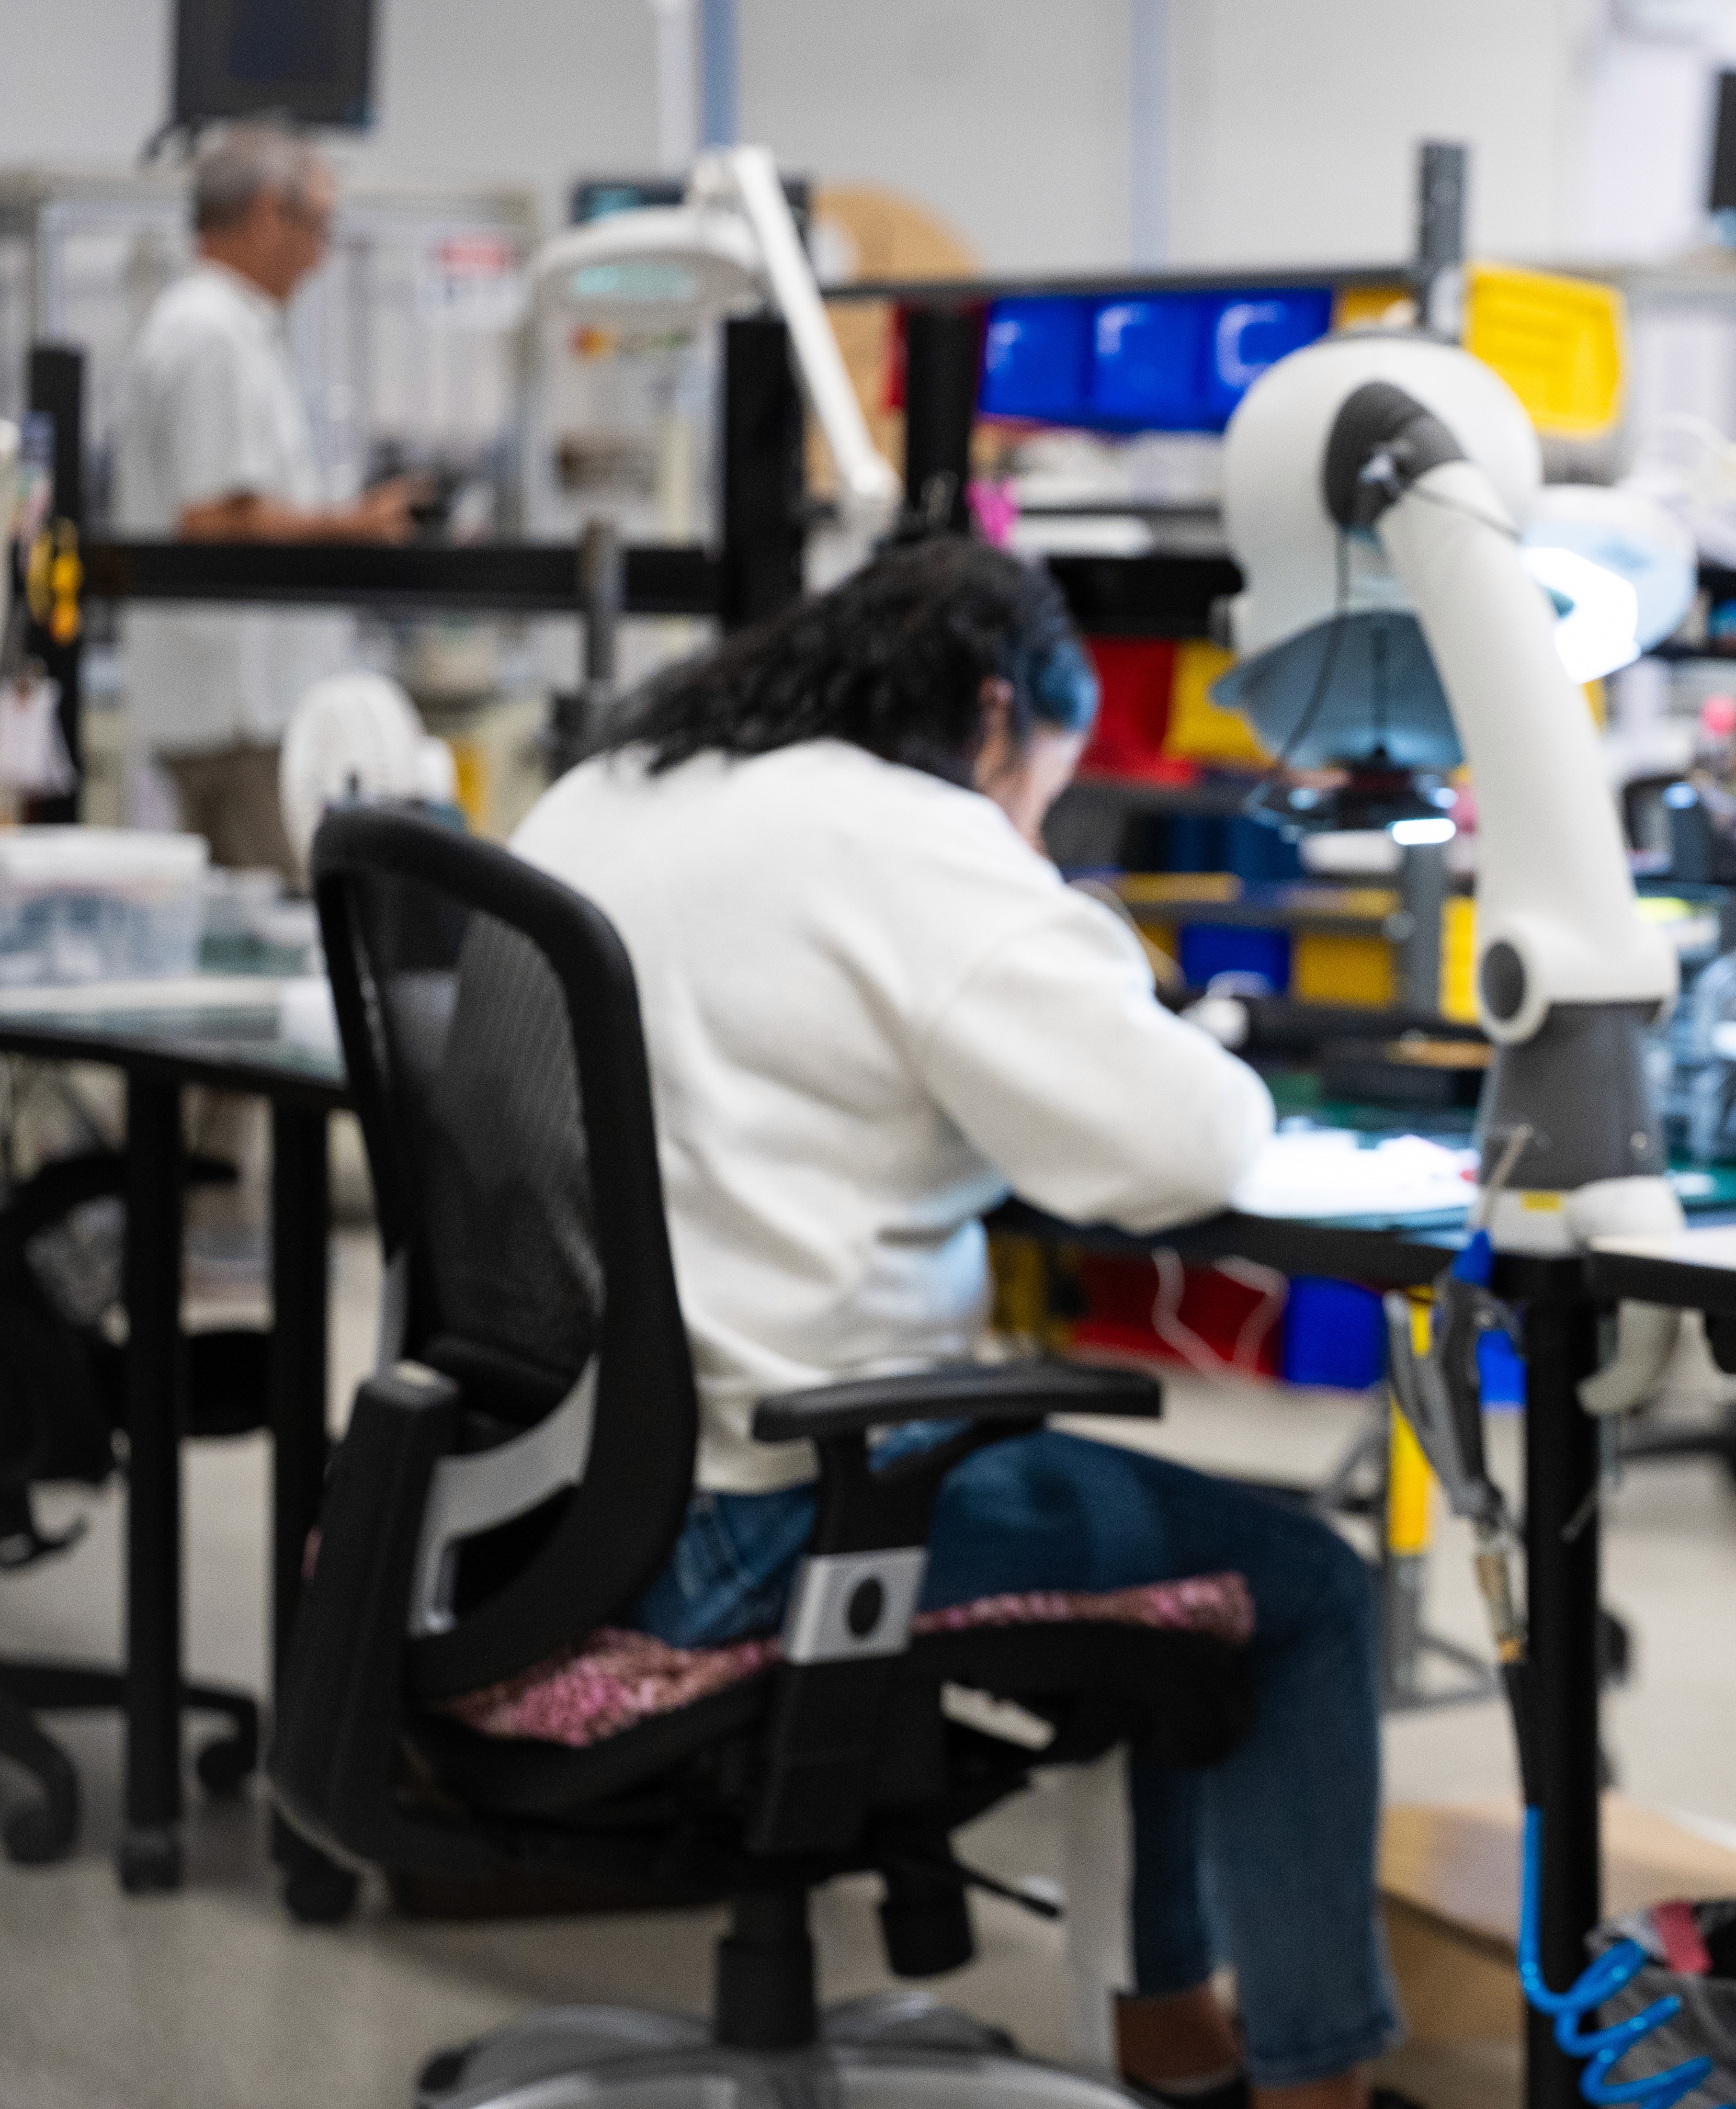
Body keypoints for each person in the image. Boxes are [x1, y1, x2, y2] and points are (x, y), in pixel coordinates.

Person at [508, 539, 1398, 2109]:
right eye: (1035, 795)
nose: (1026, 831)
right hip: (773, 1514)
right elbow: (1191, 1143)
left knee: (1166, 1562)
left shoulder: (610, 788)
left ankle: (1174, 2043)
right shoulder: (907, 836)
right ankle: (1310, 2088)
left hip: (541, 1496)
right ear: (994, 714)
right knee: (1300, 1590)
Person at [114, 121, 419, 876]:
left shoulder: (229, 329)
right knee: (280, 920)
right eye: (318, 228)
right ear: (264, 217)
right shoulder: (212, 335)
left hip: (234, 709)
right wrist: (352, 527)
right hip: (236, 717)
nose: (321, 257)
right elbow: (213, 519)